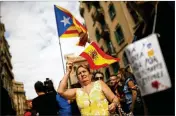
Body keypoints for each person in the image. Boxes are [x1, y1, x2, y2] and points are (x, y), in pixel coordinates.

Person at [58, 62, 122, 115]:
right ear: (78, 78)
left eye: (84, 71)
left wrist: (114, 104)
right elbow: (60, 91)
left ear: (90, 74)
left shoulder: (99, 84)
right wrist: (68, 72)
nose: (82, 74)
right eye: (79, 73)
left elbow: (114, 98)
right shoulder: (77, 91)